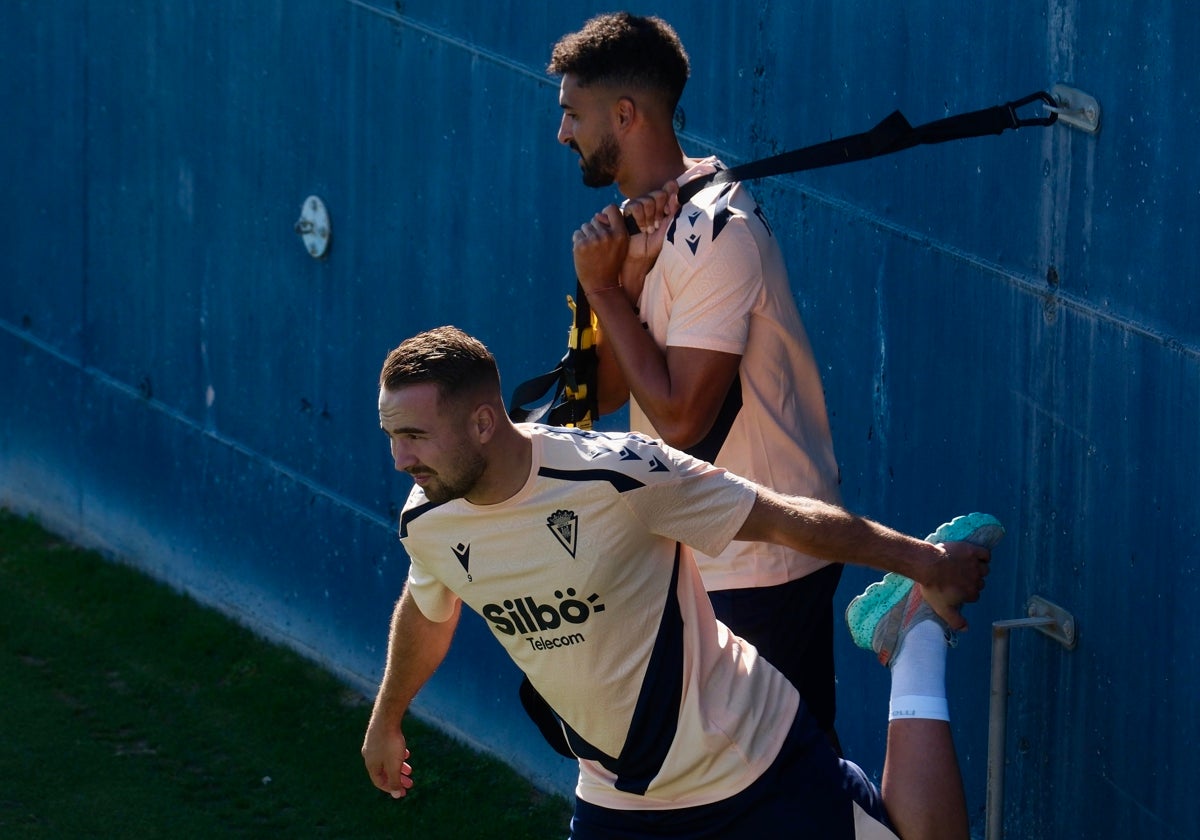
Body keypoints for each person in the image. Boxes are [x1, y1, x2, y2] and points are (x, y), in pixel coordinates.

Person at [361, 326, 1003, 840]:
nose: (400, 460)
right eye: (392, 437)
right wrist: (386, 716)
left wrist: (923, 561)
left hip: (748, 762)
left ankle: (915, 627)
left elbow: (784, 521)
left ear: (480, 423)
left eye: (414, 436)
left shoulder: (618, 475)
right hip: (620, 796)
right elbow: (428, 607)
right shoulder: (429, 519)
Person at [548, 12, 847, 746]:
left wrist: (610, 293)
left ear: (626, 114)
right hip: (703, 552)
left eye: (572, 113)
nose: (563, 133)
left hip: (767, 561)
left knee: (786, 793)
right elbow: (618, 394)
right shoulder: (643, 227)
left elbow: (680, 418)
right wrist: (617, 282)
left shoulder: (719, 235)